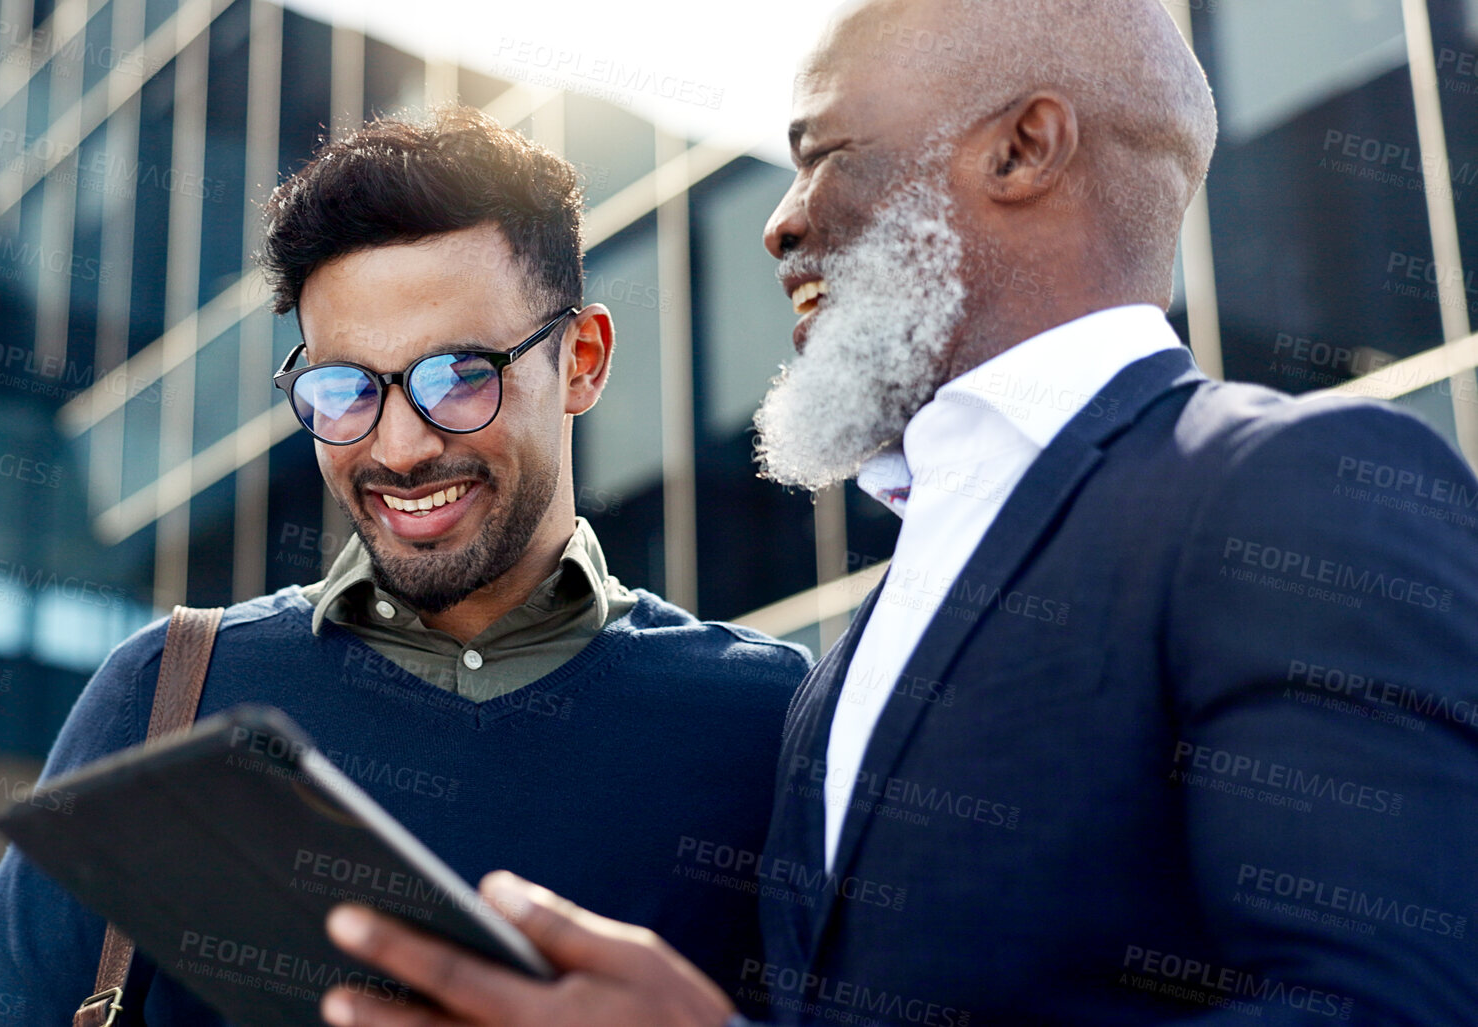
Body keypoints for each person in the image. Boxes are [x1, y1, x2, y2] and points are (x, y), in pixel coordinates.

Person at [313, 2, 1478, 1025]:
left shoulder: (1291, 489)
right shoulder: (852, 655)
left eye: (822, 153)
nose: (781, 222)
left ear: (1023, 148)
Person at [0, 106, 811, 1026]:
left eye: (459, 375)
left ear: (580, 360)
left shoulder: (773, 722)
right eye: (344, 390)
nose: (398, 446)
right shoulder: (166, 697)